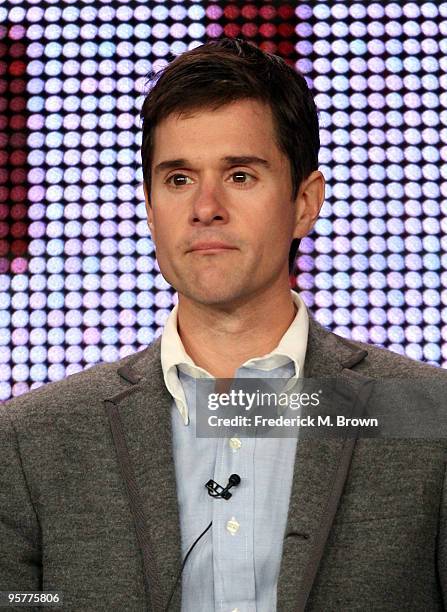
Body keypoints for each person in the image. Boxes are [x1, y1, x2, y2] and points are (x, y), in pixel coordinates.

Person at [1, 37, 447, 612]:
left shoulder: (427, 419)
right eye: (179, 179)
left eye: (239, 175)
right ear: (150, 208)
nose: (205, 206)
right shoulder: (30, 443)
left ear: (305, 203)